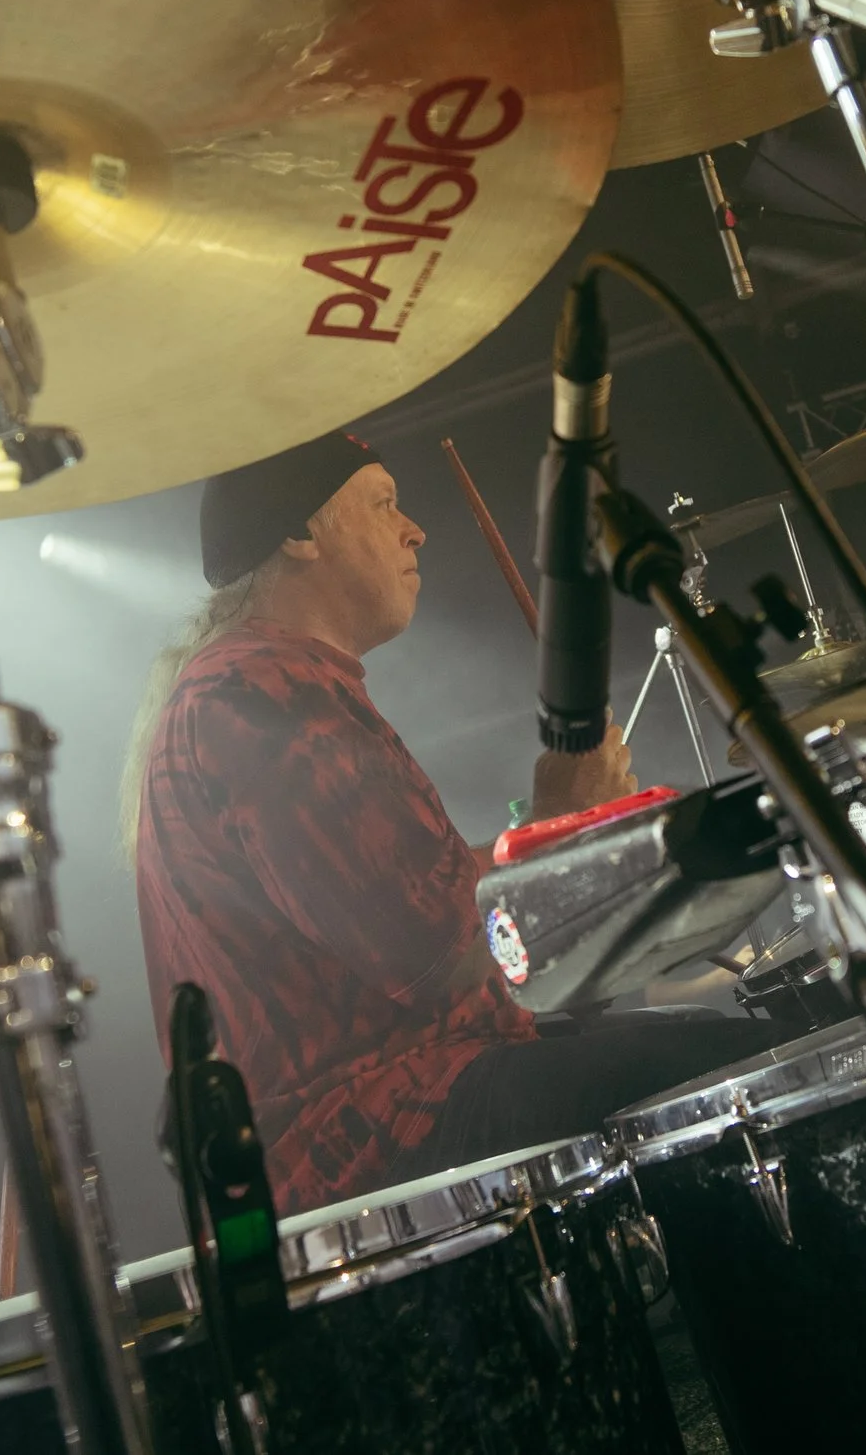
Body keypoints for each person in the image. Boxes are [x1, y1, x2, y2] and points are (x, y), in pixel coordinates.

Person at [127, 430, 769, 1214]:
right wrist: (558, 819)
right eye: (385, 503)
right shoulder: (259, 693)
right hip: (368, 1127)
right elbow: (434, 947)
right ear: (299, 533)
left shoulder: (259, 684)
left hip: (404, 1094)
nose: (416, 530)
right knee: (750, 1071)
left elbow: (416, 914)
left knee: (702, 1039)